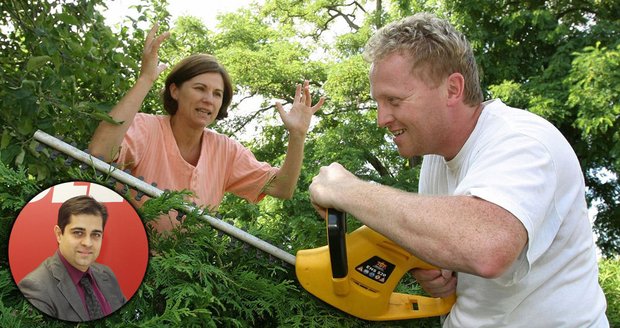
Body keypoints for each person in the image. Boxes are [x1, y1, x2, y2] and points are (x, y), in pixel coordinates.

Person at [308, 13, 608, 327]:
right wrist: (434, 269)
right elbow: (459, 253)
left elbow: (487, 247)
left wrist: (347, 190)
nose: (382, 118)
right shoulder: (436, 160)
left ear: (453, 89)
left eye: (394, 100)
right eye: (378, 103)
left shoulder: (522, 141)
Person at [89, 24, 325, 231]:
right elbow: (98, 154)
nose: (208, 100)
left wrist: (297, 135)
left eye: (217, 94)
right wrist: (145, 80)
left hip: (187, 275)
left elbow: (281, 188)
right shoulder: (145, 127)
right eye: (200, 88)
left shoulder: (226, 150)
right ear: (175, 91)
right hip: (124, 255)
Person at [17, 195, 126, 322]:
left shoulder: (107, 274)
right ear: (59, 234)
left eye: (96, 234)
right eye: (78, 233)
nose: (88, 243)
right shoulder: (36, 288)